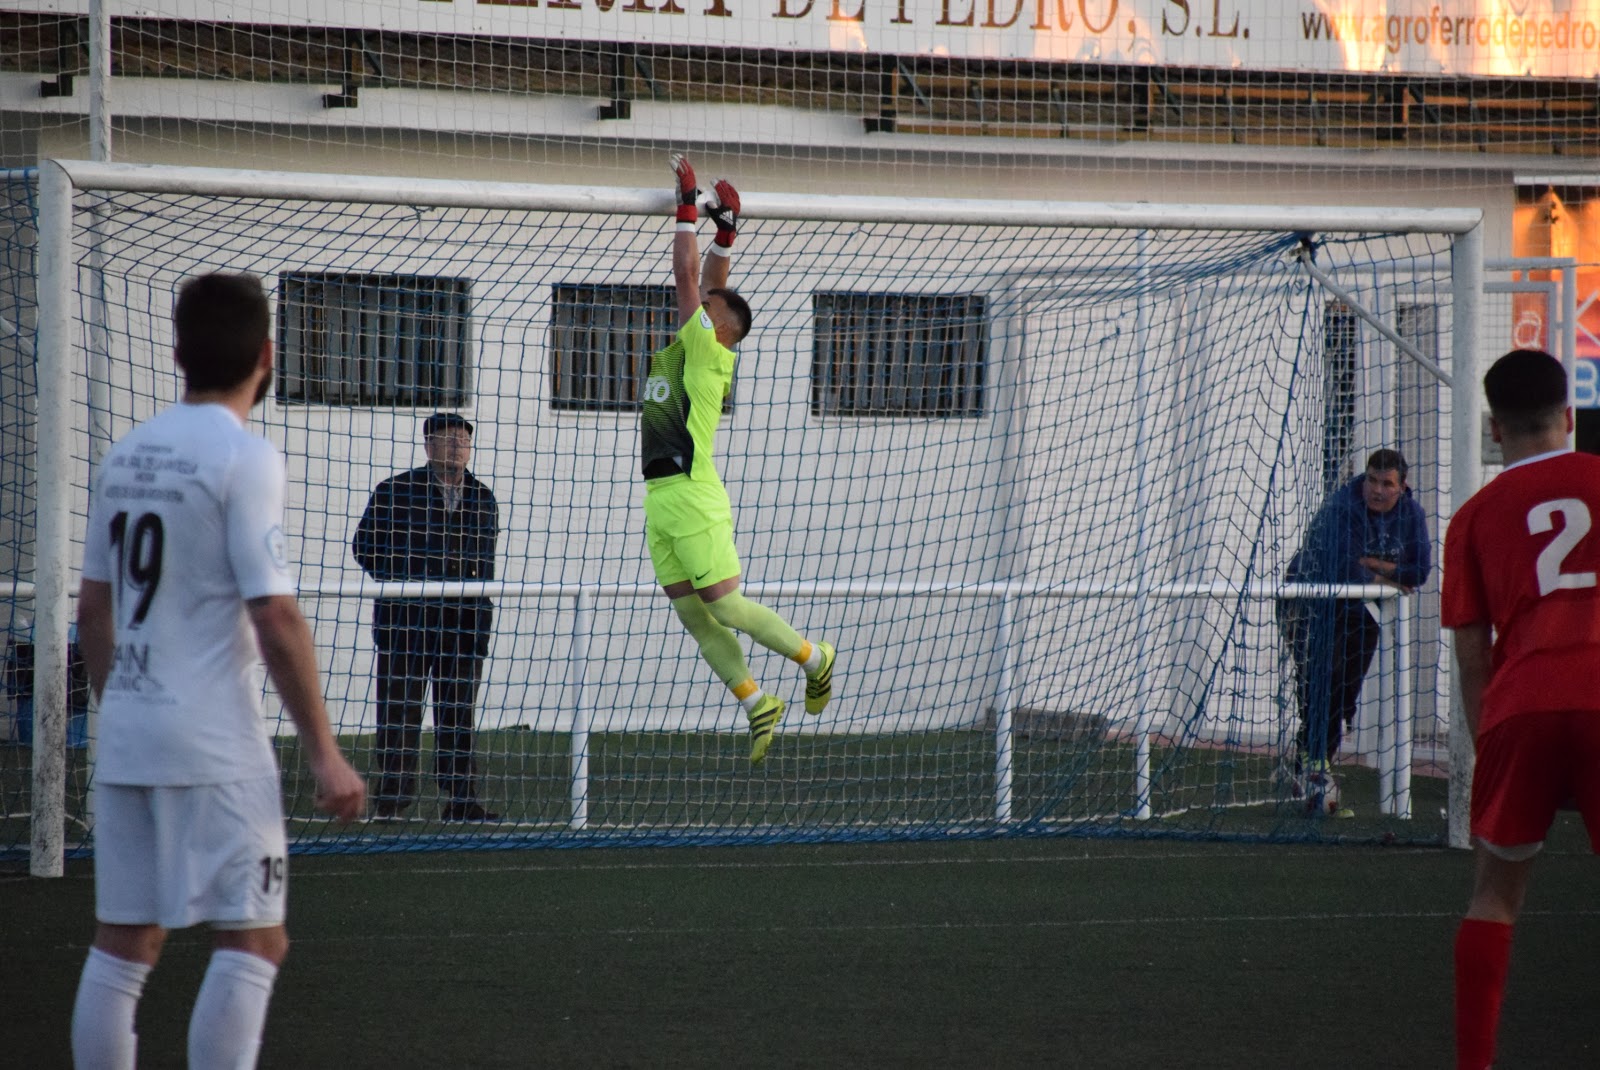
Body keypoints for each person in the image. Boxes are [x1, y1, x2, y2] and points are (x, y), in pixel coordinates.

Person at [70, 272, 366, 1069]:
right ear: (268, 355)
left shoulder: (124, 455)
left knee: (124, 945)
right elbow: (275, 615)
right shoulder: (246, 459)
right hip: (214, 742)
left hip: (128, 732)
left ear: (176, 353)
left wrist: (123, 705)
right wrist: (326, 754)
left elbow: (91, 611)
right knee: (254, 939)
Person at [640, 154, 836, 764]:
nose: (702, 305)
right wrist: (725, 227)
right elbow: (711, 286)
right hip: (660, 500)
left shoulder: (706, 347)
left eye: (709, 308)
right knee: (698, 622)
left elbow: (686, 277)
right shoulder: (697, 342)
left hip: (695, 495)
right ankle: (757, 703)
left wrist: (686, 207)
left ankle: (813, 657)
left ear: (720, 330)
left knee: (725, 604)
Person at [1444, 349, 1600, 1070]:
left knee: (1495, 895)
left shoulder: (1472, 518)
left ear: (1495, 431)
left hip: (1521, 705)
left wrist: (1491, 750)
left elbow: (1473, 656)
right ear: (1570, 417)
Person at [353, 412, 500, 821]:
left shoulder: (483, 497)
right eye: (447, 438)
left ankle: (461, 800)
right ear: (427, 445)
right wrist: (408, 579)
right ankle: (392, 800)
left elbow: (483, 563)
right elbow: (365, 547)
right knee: (399, 710)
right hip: (407, 622)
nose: (456, 446)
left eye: (463, 440)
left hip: (463, 626)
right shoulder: (396, 491)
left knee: (458, 713)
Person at [1279, 447, 1432, 809]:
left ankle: (1307, 762)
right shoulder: (1341, 507)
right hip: (1306, 598)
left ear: (1402, 485)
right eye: (1372, 481)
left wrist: (1373, 568)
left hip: (1354, 606)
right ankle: (1316, 766)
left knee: (1346, 688)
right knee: (1320, 678)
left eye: (1387, 484)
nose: (1378, 490)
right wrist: (1386, 575)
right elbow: (1344, 569)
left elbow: (1420, 571)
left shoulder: (1411, 514)